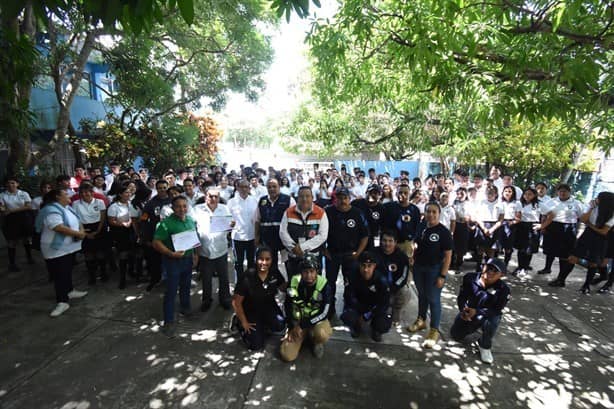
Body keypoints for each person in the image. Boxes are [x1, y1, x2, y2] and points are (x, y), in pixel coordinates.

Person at [35, 189, 88, 317]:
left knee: (67, 270)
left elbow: (78, 221)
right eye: (65, 194)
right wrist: (79, 234)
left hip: (69, 247)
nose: (68, 195)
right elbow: (58, 227)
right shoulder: (50, 210)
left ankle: (69, 291)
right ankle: (62, 301)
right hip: (56, 249)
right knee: (59, 274)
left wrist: (81, 231)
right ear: (57, 197)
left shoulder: (67, 208)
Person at [407, 202, 453, 349]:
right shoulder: (421, 226)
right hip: (419, 268)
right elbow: (416, 243)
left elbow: (448, 257)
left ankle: (434, 330)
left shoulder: (444, 232)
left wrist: (442, 276)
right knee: (422, 294)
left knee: (433, 299)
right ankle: (421, 320)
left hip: (434, 270)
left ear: (439, 213)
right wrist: (413, 255)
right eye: (428, 211)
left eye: (434, 212)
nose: (431, 214)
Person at [153, 196, 199, 337]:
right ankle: (169, 321)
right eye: (178, 206)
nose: (182, 209)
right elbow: (156, 242)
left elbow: (194, 238)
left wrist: (195, 255)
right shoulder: (166, 224)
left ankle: (185, 308)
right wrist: (170, 253)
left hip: (187, 260)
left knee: (185, 286)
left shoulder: (190, 220)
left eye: (184, 206)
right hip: (172, 261)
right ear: (173, 208)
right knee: (171, 291)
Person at [450, 258, 510, 364]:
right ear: (483, 267)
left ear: (502, 275)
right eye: (489, 267)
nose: (490, 272)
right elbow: (462, 297)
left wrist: (477, 312)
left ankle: (485, 345)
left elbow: (497, 310)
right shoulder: (470, 278)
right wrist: (463, 310)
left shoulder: (503, 289)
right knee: (456, 335)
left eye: (495, 271)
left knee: (495, 319)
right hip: (469, 314)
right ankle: (473, 326)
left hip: (485, 315)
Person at [324, 187, 369, 318]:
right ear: (335, 199)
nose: (342, 201)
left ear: (349, 199)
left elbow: (365, 236)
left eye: (345, 198)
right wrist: (323, 249)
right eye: (339, 198)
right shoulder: (328, 212)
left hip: (351, 255)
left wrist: (358, 253)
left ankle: (348, 308)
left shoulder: (357, 213)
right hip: (332, 254)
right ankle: (329, 307)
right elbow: (319, 232)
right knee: (329, 283)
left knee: (350, 283)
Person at [232, 247, 286, 350]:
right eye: (261, 259)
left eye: (267, 259)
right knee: (256, 345)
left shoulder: (274, 272)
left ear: (272, 260)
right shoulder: (247, 276)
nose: (264, 262)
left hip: (268, 306)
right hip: (251, 310)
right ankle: (238, 322)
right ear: (256, 260)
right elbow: (236, 302)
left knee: (280, 325)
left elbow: (282, 285)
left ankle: (262, 326)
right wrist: (244, 322)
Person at [281, 254, 333, 361]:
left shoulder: (325, 286)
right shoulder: (293, 282)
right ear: (301, 272)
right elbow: (287, 305)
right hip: (297, 323)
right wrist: (291, 326)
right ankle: (304, 336)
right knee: (286, 355)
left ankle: (316, 341)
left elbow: (325, 313)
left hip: (316, 321)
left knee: (321, 334)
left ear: (317, 271)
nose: (309, 275)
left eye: (312, 271)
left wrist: (303, 325)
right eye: (305, 271)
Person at [563, 191, 614, 293]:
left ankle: (586, 286)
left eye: (598, 198)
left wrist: (590, 225)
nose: (596, 199)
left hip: (600, 239)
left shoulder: (612, 214)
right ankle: (561, 279)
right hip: (587, 235)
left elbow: (604, 231)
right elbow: (583, 219)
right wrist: (591, 208)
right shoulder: (594, 207)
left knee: (593, 263)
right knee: (573, 257)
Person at [194, 187, 233, 311]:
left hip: (221, 248)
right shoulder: (197, 209)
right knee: (206, 278)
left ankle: (225, 299)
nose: (213, 199)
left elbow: (229, 225)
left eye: (216, 196)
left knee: (224, 277)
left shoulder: (224, 208)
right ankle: (206, 300)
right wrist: (195, 249)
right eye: (210, 196)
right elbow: (192, 226)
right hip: (205, 250)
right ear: (206, 196)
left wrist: (231, 225)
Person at [341, 251, 392, 342]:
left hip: (374, 306)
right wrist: (359, 314)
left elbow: (384, 303)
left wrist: (366, 316)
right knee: (348, 316)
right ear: (359, 265)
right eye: (363, 265)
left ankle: (376, 329)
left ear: (374, 266)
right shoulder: (351, 275)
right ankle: (356, 326)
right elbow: (348, 296)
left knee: (383, 323)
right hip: (358, 304)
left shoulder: (381, 280)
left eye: (369, 266)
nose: (366, 269)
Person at [279, 186, 328, 278]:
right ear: (297, 198)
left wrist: (302, 247)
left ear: (312, 197)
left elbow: (323, 235)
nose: (304, 199)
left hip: (314, 258)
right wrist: (293, 247)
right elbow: (283, 233)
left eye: (307, 196)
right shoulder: (288, 212)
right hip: (293, 256)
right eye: (301, 196)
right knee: (294, 284)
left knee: (313, 286)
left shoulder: (321, 213)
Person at [542, 184, 585, 286]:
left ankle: (561, 278)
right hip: (552, 227)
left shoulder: (576, 203)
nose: (562, 193)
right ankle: (547, 268)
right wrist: (543, 226)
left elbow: (581, 218)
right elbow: (544, 214)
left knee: (564, 255)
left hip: (568, 229)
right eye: (560, 191)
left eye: (565, 191)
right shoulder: (552, 201)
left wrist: (579, 232)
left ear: (569, 192)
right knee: (550, 251)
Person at [71, 182, 108, 284]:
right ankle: (91, 275)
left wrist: (97, 231)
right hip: (84, 228)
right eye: (82, 192)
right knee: (88, 254)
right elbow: (77, 219)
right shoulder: (76, 204)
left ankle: (103, 273)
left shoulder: (100, 202)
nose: (84, 194)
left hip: (99, 228)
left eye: (87, 192)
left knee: (100, 253)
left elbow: (102, 218)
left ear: (92, 192)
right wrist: (85, 233)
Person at [107, 184, 140, 289]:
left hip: (132, 231)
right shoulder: (114, 206)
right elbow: (111, 221)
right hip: (120, 232)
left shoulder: (131, 204)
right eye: (126, 192)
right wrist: (122, 224)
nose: (129, 194)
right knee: (123, 254)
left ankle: (132, 272)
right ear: (120, 194)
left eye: (130, 192)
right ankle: (122, 278)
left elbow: (136, 218)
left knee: (133, 253)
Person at [254, 177, 293, 268]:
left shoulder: (288, 200)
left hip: (284, 240)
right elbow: (257, 220)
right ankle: (275, 282)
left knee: (289, 265)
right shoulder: (262, 201)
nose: (272, 189)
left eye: (274, 186)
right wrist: (256, 237)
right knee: (271, 266)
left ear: (279, 187)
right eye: (269, 187)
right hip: (268, 240)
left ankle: (290, 282)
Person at [140, 180, 171, 291]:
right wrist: (146, 238)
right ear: (156, 189)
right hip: (157, 237)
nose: (162, 190)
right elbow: (143, 220)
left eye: (164, 187)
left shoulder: (173, 200)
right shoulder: (150, 204)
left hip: (172, 237)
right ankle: (155, 280)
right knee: (155, 261)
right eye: (160, 188)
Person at [375, 229, 410, 324]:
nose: (387, 244)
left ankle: (396, 312)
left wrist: (392, 288)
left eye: (390, 241)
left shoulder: (402, 257)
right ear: (380, 241)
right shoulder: (374, 253)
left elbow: (403, 277)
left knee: (405, 291)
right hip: (377, 287)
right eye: (384, 240)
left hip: (393, 287)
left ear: (395, 242)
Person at [227, 179, 258, 284]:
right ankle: (239, 285)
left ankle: (251, 283)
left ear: (249, 188)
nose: (244, 189)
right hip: (237, 237)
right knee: (238, 263)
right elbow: (227, 220)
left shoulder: (255, 200)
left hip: (252, 236)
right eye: (242, 187)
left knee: (251, 263)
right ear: (237, 188)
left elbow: (258, 219)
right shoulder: (231, 202)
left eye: (246, 187)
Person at [1, 176, 34, 271]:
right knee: (12, 241)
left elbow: (28, 206)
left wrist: (11, 210)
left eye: (13, 183)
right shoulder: (2, 195)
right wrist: (5, 210)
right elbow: (2, 208)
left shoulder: (23, 194)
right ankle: (12, 263)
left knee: (26, 239)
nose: (10, 185)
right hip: (10, 220)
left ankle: (29, 257)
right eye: (8, 183)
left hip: (24, 218)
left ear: (17, 184)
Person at [382, 184, 421, 263]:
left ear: (409, 194)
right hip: (390, 243)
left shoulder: (415, 209)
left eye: (405, 193)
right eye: (400, 192)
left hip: (406, 244)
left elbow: (417, 227)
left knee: (406, 266)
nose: (402, 195)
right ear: (396, 194)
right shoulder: (388, 207)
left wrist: (414, 242)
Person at [513, 187, 543, 275]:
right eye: (525, 194)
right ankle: (520, 266)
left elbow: (550, 214)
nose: (527, 196)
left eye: (530, 194)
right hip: (521, 226)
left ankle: (525, 267)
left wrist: (542, 225)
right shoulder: (519, 203)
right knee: (521, 248)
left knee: (529, 249)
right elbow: (517, 215)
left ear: (534, 195)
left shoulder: (539, 204)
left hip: (533, 227)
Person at [352, 184, 384, 250]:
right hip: (355, 238)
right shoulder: (356, 203)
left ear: (379, 195)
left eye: (375, 193)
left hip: (371, 240)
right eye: (370, 192)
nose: (372, 195)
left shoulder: (381, 208)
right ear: (366, 192)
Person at [499, 186, 521, 268]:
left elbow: (518, 218)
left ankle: (505, 263)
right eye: (505, 191)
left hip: (511, 225)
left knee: (508, 247)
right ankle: (496, 264)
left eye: (509, 191)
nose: (507, 193)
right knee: (498, 246)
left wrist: (512, 223)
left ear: (513, 193)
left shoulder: (517, 203)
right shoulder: (500, 202)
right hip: (500, 224)